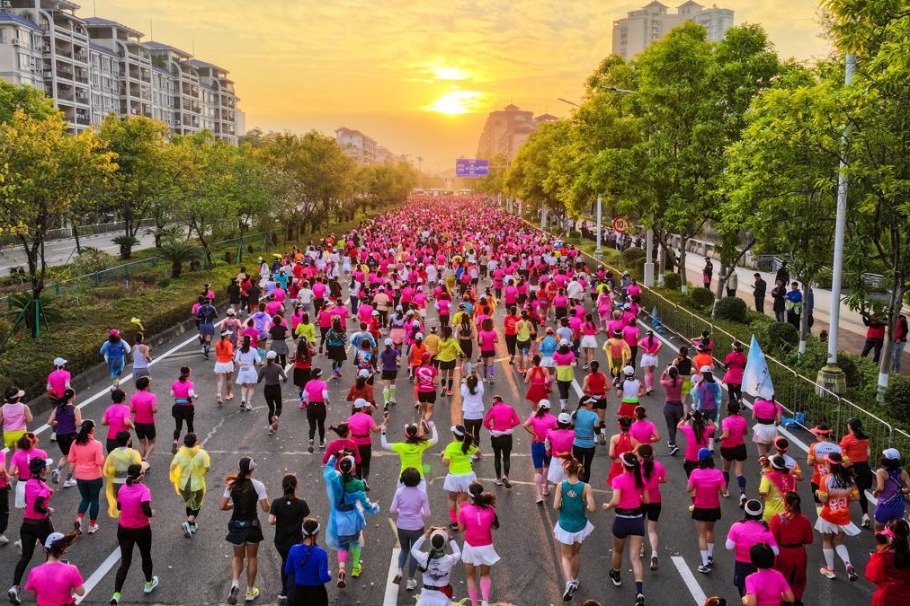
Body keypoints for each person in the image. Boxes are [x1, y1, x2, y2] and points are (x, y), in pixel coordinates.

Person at [323, 454, 379, 587]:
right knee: (355, 542)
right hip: (353, 520)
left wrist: (335, 456)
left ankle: (342, 569)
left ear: (341, 469)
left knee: (342, 546)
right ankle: (355, 567)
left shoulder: (334, 479)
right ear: (353, 469)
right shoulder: (358, 484)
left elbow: (328, 468)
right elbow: (365, 504)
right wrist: (374, 507)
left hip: (338, 520)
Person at [220, 457, 270, 604]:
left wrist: (233, 506)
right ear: (252, 470)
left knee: (238, 557)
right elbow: (266, 508)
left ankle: (235, 583)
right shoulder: (258, 485)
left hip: (236, 526)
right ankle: (249, 590)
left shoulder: (231, 485)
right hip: (252, 526)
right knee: (252, 557)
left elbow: (222, 506)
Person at [8, 457, 55, 606]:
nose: (47, 468)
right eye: (46, 466)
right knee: (51, 554)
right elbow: (37, 507)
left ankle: (15, 587)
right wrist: (48, 511)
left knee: (26, 557)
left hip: (26, 525)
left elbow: (29, 501)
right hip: (41, 525)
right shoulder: (44, 489)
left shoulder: (29, 483)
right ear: (42, 470)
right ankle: (46, 589)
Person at [603, 452, 648, 606]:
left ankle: (616, 576)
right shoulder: (640, 479)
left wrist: (607, 506)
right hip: (637, 520)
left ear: (623, 465)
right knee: (635, 558)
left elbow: (615, 500)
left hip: (621, 520)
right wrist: (637, 498)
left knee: (617, 551)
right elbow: (646, 500)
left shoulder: (618, 480)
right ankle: (640, 592)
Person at [110, 462, 159, 605]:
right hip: (141, 529)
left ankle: (116, 595)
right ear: (141, 476)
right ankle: (149, 583)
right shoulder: (144, 490)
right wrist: (152, 513)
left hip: (124, 529)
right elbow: (145, 509)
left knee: (125, 562)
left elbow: (119, 506)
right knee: (145, 555)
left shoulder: (122, 489)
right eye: (143, 472)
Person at [553, 457, 595, 601]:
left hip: (565, 525)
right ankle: (575, 580)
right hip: (580, 525)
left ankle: (568, 581)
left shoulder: (561, 485)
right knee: (576, 554)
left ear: (566, 471)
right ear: (579, 470)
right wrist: (586, 504)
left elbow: (555, 506)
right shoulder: (586, 487)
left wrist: (562, 504)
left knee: (565, 556)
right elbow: (592, 507)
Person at [815, 452, 860, 581]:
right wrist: (844, 497)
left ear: (829, 464)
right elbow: (857, 496)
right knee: (838, 542)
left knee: (827, 540)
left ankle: (830, 569)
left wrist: (818, 492)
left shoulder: (825, 479)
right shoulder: (850, 479)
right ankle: (848, 563)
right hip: (844, 516)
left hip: (828, 515)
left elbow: (823, 499)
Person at [268, 474, 310, 602]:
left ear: (283, 487)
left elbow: (270, 521)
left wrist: (277, 520)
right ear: (295, 486)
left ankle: (284, 591)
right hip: (296, 540)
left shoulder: (276, 503)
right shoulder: (301, 504)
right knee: (295, 564)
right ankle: (294, 591)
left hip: (280, 541)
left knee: (285, 562)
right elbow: (306, 523)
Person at [390, 467, 431, 591]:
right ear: (418, 480)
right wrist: (420, 511)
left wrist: (401, 511)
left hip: (402, 525)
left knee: (404, 549)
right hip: (417, 526)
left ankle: (399, 570)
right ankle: (410, 580)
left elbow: (392, 510)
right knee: (414, 552)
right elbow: (427, 513)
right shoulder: (422, 494)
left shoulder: (399, 492)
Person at [726, 499, 779, 596]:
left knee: (743, 593)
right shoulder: (766, 530)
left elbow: (729, 546)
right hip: (760, 566)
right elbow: (776, 552)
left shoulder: (736, 526)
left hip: (741, 565)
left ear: (745, 512)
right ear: (760, 514)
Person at [459, 481, 500, 606]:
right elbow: (495, 526)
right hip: (486, 546)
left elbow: (461, 529)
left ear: (469, 495)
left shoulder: (464, 511)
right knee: (485, 574)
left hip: (470, 547)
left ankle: (475, 604)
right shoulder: (490, 509)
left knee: (471, 577)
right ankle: (485, 601)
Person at [687, 448, 727, 574]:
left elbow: (689, 489)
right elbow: (724, 491)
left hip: (700, 506)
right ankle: (710, 556)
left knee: (701, 535)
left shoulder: (695, 473)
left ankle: (704, 563)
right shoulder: (718, 473)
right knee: (710, 530)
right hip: (714, 507)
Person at [769, 491, 813, 606]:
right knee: (798, 582)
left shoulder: (776, 519)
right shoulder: (805, 520)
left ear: (786, 503)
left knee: (779, 580)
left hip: (781, 554)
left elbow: (772, 539)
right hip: (799, 554)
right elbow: (809, 540)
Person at [23, 531, 84, 606]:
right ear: (63, 549)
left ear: (45, 549)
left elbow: (35, 595)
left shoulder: (34, 571)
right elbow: (81, 593)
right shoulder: (71, 569)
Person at [169, 433, 210, 538]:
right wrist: (200, 473)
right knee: (197, 504)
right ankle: (188, 522)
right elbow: (207, 467)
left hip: (183, 485)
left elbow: (173, 466)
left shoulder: (180, 454)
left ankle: (191, 526)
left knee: (189, 503)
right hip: (196, 485)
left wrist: (176, 475)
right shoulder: (202, 453)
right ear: (195, 442)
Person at [67, 420, 104, 534]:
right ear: (92, 430)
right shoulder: (97, 444)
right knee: (94, 500)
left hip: (80, 476)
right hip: (94, 476)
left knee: (85, 499)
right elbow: (99, 461)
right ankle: (92, 525)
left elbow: (70, 459)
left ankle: (79, 518)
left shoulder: (75, 443)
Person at [284, 518, 331, 606]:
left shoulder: (294, 549)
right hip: (317, 594)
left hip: (298, 592)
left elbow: (288, 571)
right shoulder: (321, 553)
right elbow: (324, 578)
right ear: (317, 534)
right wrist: (329, 574)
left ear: (302, 533)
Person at [382, 420, 439, 493]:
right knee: (422, 499)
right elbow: (435, 439)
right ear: (416, 434)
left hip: (403, 477)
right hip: (419, 476)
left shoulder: (400, 446)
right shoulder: (421, 444)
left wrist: (383, 431)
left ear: (406, 435)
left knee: (399, 497)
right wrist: (433, 426)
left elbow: (384, 445)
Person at [411, 527, 462, 606]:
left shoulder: (424, 558)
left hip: (425, 600)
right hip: (443, 599)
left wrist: (426, 535)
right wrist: (450, 537)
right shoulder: (449, 560)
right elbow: (458, 553)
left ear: (431, 544)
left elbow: (413, 549)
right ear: (444, 545)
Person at [866, 518, 910, 605]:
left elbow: (873, 577)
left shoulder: (882, 557)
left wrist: (874, 559)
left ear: (892, 538)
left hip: (886, 596)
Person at [443, 425, 479, 528]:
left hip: (454, 476)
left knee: (452, 499)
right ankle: (468, 519)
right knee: (463, 501)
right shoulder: (468, 445)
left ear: (454, 435)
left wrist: (443, 455)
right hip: (467, 476)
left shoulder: (450, 447)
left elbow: (446, 463)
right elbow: (479, 453)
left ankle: (454, 522)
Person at [840, 417, 873, 528]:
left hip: (851, 467)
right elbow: (868, 454)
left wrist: (847, 462)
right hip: (863, 467)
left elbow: (841, 452)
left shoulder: (847, 438)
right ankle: (865, 515)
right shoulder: (865, 439)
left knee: (844, 488)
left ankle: (843, 511)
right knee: (861, 491)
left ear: (849, 426)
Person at [638, 445, 666, 572]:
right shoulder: (659, 466)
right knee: (652, 529)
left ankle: (641, 548)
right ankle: (654, 553)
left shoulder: (638, 468)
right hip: (656, 500)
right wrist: (655, 480)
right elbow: (664, 480)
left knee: (639, 525)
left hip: (641, 499)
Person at [523, 400, 557, 504]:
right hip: (548, 445)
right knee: (547, 466)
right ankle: (546, 487)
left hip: (536, 444)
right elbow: (556, 429)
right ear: (549, 408)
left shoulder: (534, 417)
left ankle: (538, 494)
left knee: (538, 469)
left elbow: (525, 425)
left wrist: (535, 434)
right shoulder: (553, 419)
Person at [102, 431, 142, 519]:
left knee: (119, 500)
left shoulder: (112, 454)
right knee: (131, 501)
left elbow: (106, 470)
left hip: (116, 482)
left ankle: (123, 515)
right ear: (128, 441)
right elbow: (139, 467)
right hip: (129, 481)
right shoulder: (133, 453)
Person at [482, 396, 520, 487]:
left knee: (497, 457)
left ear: (495, 401)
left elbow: (485, 422)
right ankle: (506, 476)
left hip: (496, 436)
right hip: (507, 436)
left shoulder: (493, 409)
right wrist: (508, 426)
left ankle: (498, 478)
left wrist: (491, 428)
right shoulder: (510, 408)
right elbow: (517, 421)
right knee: (506, 457)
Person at [48, 388, 82, 487]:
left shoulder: (57, 408)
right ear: (72, 397)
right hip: (70, 435)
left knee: (65, 456)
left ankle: (57, 470)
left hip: (59, 435)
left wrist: (59, 422)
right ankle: (68, 479)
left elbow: (49, 422)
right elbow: (79, 423)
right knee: (74, 458)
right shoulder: (75, 409)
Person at [718, 400, 749, 506]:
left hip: (727, 447)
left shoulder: (726, 421)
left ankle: (725, 490)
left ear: (728, 409)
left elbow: (726, 435)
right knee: (739, 472)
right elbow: (745, 432)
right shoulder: (742, 419)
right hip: (740, 447)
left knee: (725, 469)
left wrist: (718, 439)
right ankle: (743, 493)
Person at [874, 448, 910, 530]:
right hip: (899, 507)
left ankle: (885, 543)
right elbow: (909, 489)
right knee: (894, 531)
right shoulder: (903, 473)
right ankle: (894, 543)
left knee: (878, 532)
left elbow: (880, 488)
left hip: (884, 506)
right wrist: (902, 491)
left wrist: (875, 492)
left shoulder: (881, 472)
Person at [759, 455, 797, 524]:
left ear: (771, 465)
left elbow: (763, 494)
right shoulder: (792, 478)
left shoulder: (767, 477)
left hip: (771, 514)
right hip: (788, 515)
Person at [257, 351, 287, 436]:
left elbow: (258, 380)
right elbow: (284, 378)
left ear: (267, 358)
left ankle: (270, 427)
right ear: (274, 358)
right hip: (276, 388)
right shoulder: (278, 367)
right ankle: (276, 417)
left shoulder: (263, 368)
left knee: (271, 409)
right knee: (279, 407)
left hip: (267, 389)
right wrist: (283, 379)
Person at [571, 396, 600, 483]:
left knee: (578, 465)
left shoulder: (574, 413)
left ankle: (577, 483)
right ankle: (585, 485)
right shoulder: (594, 415)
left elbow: (571, 427)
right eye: (591, 403)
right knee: (587, 466)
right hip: (590, 445)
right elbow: (597, 431)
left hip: (577, 443)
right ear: (586, 404)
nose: (592, 404)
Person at [679, 410, 715, 477]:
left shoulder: (688, 429)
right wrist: (706, 417)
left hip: (690, 459)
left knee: (691, 480)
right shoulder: (707, 430)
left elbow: (679, 426)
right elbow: (714, 427)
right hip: (703, 459)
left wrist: (686, 418)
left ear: (693, 420)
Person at [170, 367, 198, 453]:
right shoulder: (190, 383)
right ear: (188, 374)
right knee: (190, 425)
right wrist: (195, 396)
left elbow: (171, 394)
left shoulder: (175, 383)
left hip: (177, 406)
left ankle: (175, 441)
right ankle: (191, 444)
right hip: (188, 407)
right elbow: (190, 393)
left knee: (178, 427)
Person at [130, 377, 158, 462]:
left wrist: (138, 409)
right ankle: (145, 458)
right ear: (147, 386)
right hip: (148, 423)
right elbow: (154, 409)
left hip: (137, 423)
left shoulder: (134, 397)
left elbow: (131, 409)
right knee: (152, 442)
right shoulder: (152, 396)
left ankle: (138, 461)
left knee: (142, 443)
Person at [302, 368, 330, 453]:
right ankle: (321, 442)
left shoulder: (308, 384)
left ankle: (311, 439)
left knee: (312, 426)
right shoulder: (323, 384)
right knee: (321, 425)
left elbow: (304, 395)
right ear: (320, 375)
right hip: (320, 406)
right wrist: (327, 401)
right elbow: (324, 395)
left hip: (311, 406)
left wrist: (307, 401)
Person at [582, 361, 609, 444]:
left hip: (592, 399)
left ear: (590, 367)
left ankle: (594, 438)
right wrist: (601, 389)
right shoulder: (603, 376)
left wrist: (591, 391)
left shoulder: (587, 377)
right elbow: (608, 387)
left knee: (593, 418)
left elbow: (583, 389)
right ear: (598, 367)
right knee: (601, 419)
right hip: (602, 398)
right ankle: (603, 435)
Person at [660, 366, 684, 456]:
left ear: (669, 375)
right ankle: (671, 441)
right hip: (678, 406)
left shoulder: (667, 383)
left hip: (669, 406)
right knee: (674, 425)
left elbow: (661, 380)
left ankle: (673, 444)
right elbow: (680, 377)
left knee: (670, 427)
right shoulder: (680, 382)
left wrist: (665, 372)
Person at [607, 417, 639, 484]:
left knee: (616, 485)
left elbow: (611, 454)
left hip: (617, 464)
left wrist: (614, 458)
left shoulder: (614, 438)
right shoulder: (634, 441)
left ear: (620, 426)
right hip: (629, 466)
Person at [101, 389, 133, 454]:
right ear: (123, 398)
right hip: (123, 439)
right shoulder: (126, 408)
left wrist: (112, 422)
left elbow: (103, 422)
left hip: (111, 439)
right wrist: (132, 426)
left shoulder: (109, 408)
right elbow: (126, 421)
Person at [235, 336, 261, 413]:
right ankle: (248, 402)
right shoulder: (253, 350)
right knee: (251, 387)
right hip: (250, 368)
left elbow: (236, 360)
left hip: (243, 369)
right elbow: (258, 361)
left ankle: (243, 398)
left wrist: (240, 364)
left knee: (244, 385)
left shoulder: (239, 350)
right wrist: (257, 363)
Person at [2, 386, 33, 451]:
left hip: (7, 434)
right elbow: (30, 419)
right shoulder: (24, 407)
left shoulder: (2, 409)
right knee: (22, 453)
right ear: (18, 398)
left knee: (14, 455)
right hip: (21, 433)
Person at [214, 330, 236, 406]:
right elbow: (230, 354)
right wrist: (233, 354)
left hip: (219, 363)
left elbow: (217, 353)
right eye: (229, 335)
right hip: (228, 363)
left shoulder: (217, 343)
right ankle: (228, 394)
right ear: (225, 336)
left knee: (220, 380)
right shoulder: (229, 344)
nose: (230, 336)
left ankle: (219, 393)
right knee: (228, 379)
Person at [638, 331, 661, 395]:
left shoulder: (644, 339)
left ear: (647, 335)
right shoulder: (655, 340)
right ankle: (651, 387)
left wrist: (645, 348)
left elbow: (638, 344)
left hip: (646, 357)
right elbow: (661, 344)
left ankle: (647, 388)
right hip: (653, 357)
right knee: (651, 372)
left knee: (646, 373)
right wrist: (656, 350)